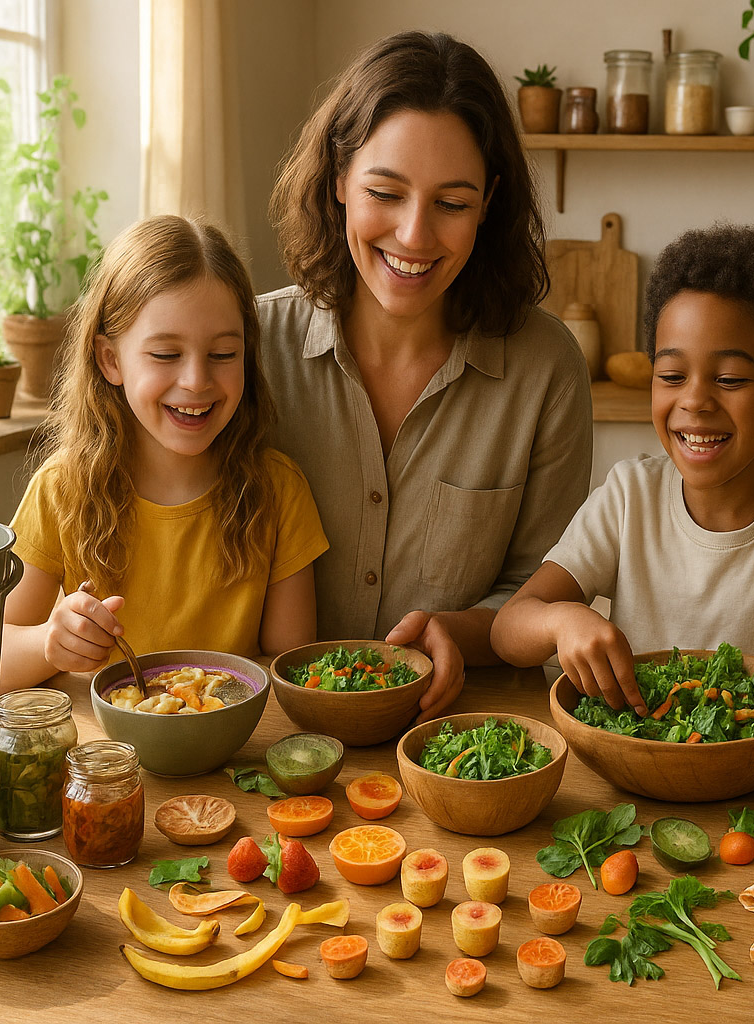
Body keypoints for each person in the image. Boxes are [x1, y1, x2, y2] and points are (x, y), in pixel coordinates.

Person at [262, 31, 592, 724]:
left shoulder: (546, 368)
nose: (414, 236)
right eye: (386, 191)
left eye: (452, 204)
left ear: (490, 204)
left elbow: (544, 589)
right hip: (273, 737)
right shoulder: (253, 349)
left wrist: (463, 633)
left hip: (463, 735)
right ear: (338, 183)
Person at [491, 224, 754, 712]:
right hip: (635, 762)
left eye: (730, 379)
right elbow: (509, 628)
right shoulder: (628, 496)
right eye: (672, 376)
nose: (695, 401)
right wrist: (562, 621)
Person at [0, 215, 329, 691]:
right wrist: (50, 642)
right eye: (166, 354)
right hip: (102, 759)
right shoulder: (60, 489)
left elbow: (290, 673)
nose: (196, 380)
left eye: (222, 355)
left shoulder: (279, 490)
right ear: (110, 359)